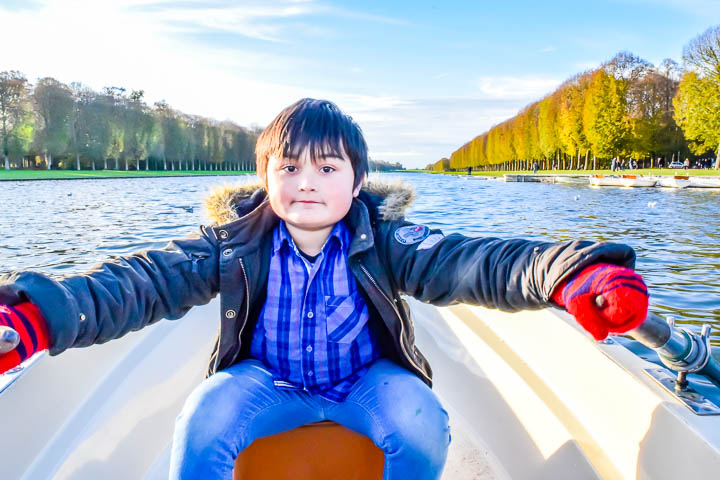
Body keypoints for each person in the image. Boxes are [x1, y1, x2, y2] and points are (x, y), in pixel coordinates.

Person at [0, 98, 649, 480]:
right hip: (266, 382)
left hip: (366, 380)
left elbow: (479, 262)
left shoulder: (391, 242)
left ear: (356, 180)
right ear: (265, 176)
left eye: (327, 166)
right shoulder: (232, 244)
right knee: (203, 418)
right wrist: (42, 316)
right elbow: (141, 283)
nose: (306, 182)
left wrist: (574, 273)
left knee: (422, 421)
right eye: (289, 167)